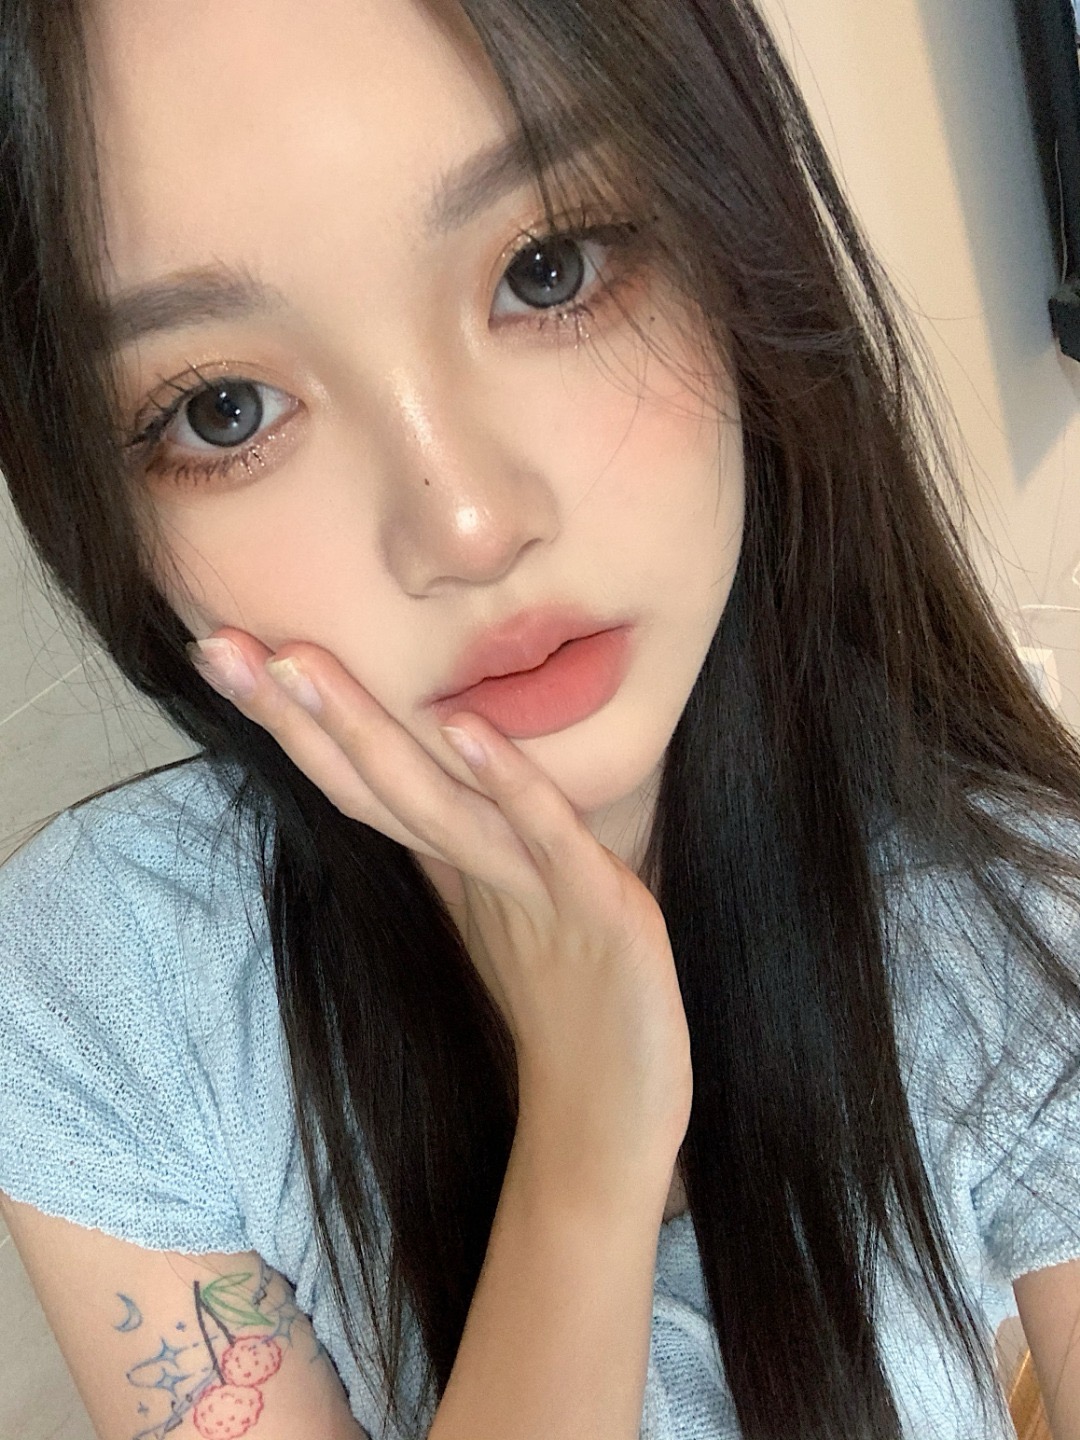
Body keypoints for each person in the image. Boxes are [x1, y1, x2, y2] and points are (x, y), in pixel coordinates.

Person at [1, 0, 1079, 1437]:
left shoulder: (1015, 913)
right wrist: (587, 1145)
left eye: (546, 267)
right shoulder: (111, 983)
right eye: (225, 410)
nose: (466, 523)